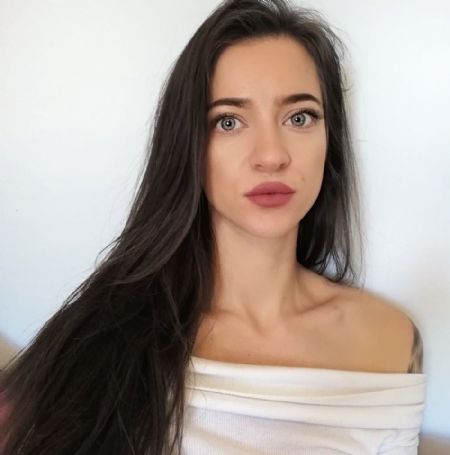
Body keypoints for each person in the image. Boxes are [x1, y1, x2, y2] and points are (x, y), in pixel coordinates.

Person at [0, 0, 426, 454]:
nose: (271, 155)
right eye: (228, 121)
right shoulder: (103, 342)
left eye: (299, 117)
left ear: (330, 139)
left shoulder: (393, 342)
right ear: (188, 147)